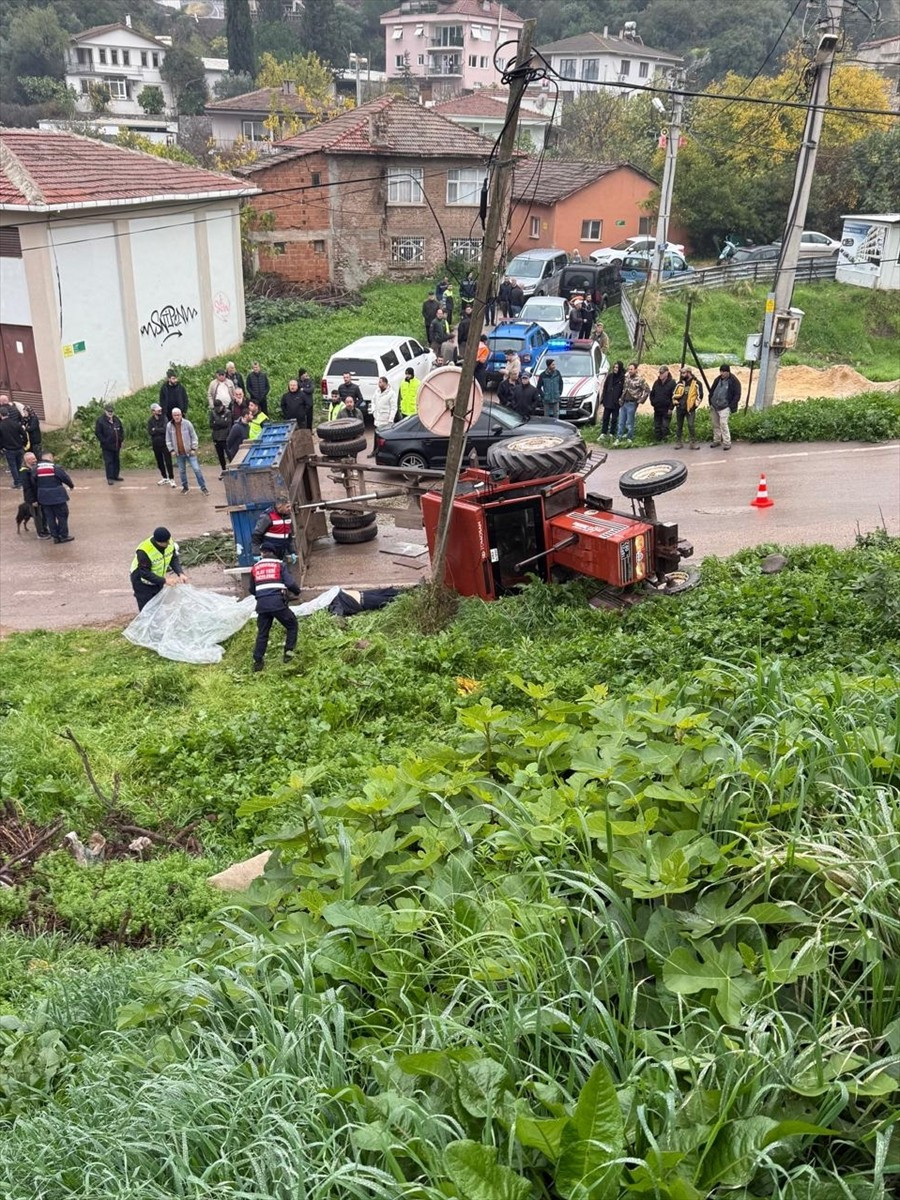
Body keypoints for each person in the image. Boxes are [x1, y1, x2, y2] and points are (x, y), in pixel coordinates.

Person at [249, 547, 301, 672]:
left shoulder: (255, 567)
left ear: (262, 554)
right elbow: (290, 583)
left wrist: (262, 595)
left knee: (263, 633)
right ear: (274, 553)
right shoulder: (279, 564)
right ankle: (288, 655)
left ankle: (258, 661)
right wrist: (297, 591)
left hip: (262, 605)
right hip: (277, 604)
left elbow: (252, 589)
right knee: (292, 625)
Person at [130, 526, 187, 611]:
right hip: (141, 581)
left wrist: (180, 573)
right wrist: (165, 580)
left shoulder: (169, 542)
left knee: (158, 606)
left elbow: (173, 558)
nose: (169, 543)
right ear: (158, 542)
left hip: (157, 579)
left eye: (169, 540)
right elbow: (144, 573)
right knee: (147, 609)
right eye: (166, 542)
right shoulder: (144, 551)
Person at [33, 452, 75, 542]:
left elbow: (33, 482)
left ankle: (55, 536)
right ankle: (63, 535)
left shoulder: (35, 469)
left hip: (43, 497)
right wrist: (71, 485)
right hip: (58, 496)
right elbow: (65, 478)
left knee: (50, 517)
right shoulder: (55, 467)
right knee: (62, 515)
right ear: (50, 458)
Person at [166, 408, 208, 494]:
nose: (177, 417)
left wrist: (193, 448)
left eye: (178, 415)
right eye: (175, 415)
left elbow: (194, 437)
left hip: (190, 452)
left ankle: (203, 488)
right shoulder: (169, 426)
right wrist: (171, 450)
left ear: (181, 415)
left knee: (196, 469)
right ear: (172, 416)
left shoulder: (187, 423)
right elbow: (168, 440)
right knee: (182, 471)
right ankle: (185, 487)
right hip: (178, 453)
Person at [708, 364, 741, 451]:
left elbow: (737, 395)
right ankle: (717, 440)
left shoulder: (734, 381)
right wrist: (710, 401)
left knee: (723, 424)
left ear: (728, 372)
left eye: (723, 372)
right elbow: (712, 390)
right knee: (715, 424)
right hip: (714, 406)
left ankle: (727, 443)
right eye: (721, 371)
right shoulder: (717, 379)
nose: (721, 373)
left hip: (725, 407)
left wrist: (731, 406)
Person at [617, 363, 649, 444]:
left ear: (636, 370)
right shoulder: (626, 377)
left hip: (632, 403)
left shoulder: (640, 380)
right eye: (629, 369)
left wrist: (641, 400)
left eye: (631, 369)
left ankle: (629, 437)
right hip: (624, 402)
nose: (630, 371)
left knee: (629, 422)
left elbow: (647, 390)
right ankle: (619, 437)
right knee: (621, 421)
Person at [19, 451, 49, 538]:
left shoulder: (35, 468)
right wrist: (33, 500)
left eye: (35, 458)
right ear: (27, 461)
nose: (35, 460)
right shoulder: (24, 472)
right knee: (37, 516)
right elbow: (27, 488)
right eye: (32, 459)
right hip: (33, 498)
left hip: (40, 496)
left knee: (43, 514)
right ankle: (40, 533)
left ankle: (45, 529)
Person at [94, 402, 125, 485]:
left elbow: (121, 430)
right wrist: (104, 441)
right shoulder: (100, 421)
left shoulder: (116, 419)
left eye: (111, 411)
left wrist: (121, 439)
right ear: (105, 411)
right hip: (107, 446)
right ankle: (110, 478)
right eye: (109, 411)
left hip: (116, 445)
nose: (110, 413)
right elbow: (98, 433)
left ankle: (115, 476)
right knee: (109, 462)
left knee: (116, 461)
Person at [673, 367, 703, 450]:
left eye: (684, 373)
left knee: (691, 425)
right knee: (679, 426)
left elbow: (700, 396)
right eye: (681, 373)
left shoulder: (697, 383)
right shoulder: (680, 383)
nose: (682, 375)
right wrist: (676, 403)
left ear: (689, 373)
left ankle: (693, 443)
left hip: (690, 409)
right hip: (680, 408)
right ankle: (678, 442)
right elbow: (674, 394)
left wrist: (694, 406)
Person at [148, 403, 175, 486]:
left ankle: (171, 478)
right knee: (159, 462)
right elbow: (150, 432)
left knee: (168, 461)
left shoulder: (164, 418)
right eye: (158, 410)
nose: (160, 410)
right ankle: (164, 477)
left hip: (165, 443)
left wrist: (155, 429)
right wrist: (157, 430)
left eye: (160, 409)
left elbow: (165, 429)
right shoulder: (150, 421)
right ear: (153, 411)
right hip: (156, 444)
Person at [0, 403, 27, 488]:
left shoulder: (1, 426)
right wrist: (24, 443)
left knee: (13, 467)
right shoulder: (15, 424)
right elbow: (24, 434)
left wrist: (1, 448)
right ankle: (21, 480)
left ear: (0, 415)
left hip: (9, 449)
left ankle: (17, 482)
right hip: (19, 447)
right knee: (19, 465)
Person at [649, 365, 676, 443]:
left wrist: (671, 408)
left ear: (667, 373)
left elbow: (674, 396)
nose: (660, 374)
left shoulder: (672, 383)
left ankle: (665, 442)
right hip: (657, 409)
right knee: (657, 427)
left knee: (665, 427)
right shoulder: (656, 383)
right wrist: (653, 402)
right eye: (660, 373)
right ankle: (658, 442)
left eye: (662, 373)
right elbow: (652, 394)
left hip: (666, 409)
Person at [370, 376, 396, 453]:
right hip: (377, 418)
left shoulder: (391, 393)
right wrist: (373, 411)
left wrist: (391, 419)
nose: (379, 383)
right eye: (379, 382)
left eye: (380, 382)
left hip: (385, 420)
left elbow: (393, 408)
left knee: (383, 438)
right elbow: (373, 401)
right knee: (376, 437)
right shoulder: (377, 392)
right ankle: (374, 451)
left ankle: (383, 452)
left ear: (385, 383)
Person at [599, 361, 624, 437]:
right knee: (605, 418)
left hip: (616, 402)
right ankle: (603, 433)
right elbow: (605, 387)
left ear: (620, 368)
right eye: (614, 367)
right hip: (608, 400)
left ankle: (612, 433)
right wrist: (604, 398)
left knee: (614, 419)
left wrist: (620, 399)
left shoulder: (622, 378)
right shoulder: (610, 376)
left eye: (617, 367)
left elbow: (623, 390)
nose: (615, 369)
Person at [209, 398, 231, 475]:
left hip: (225, 437)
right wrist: (221, 422)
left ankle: (232, 468)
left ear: (222, 406)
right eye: (216, 408)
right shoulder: (213, 413)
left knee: (229, 454)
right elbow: (211, 425)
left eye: (219, 407)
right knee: (220, 456)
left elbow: (227, 424)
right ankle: (223, 469)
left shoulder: (228, 412)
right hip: (216, 437)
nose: (218, 410)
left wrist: (217, 423)